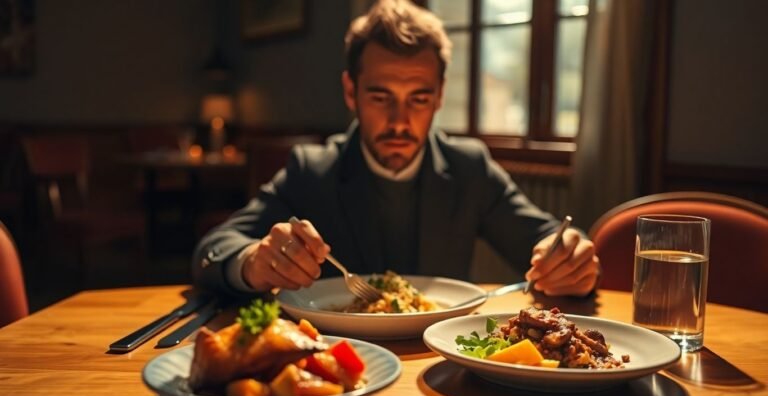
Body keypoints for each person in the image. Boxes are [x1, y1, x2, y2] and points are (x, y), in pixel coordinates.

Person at [193, 0, 600, 299]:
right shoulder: (313, 169)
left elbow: (550, 236)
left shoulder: (468, 168)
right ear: (351, 92)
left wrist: (571, 258)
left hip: (438, 364)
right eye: (381, 97)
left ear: (440, 96)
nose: (400, 121)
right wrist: (253, 261)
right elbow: (214, 249)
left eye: (419, 99)